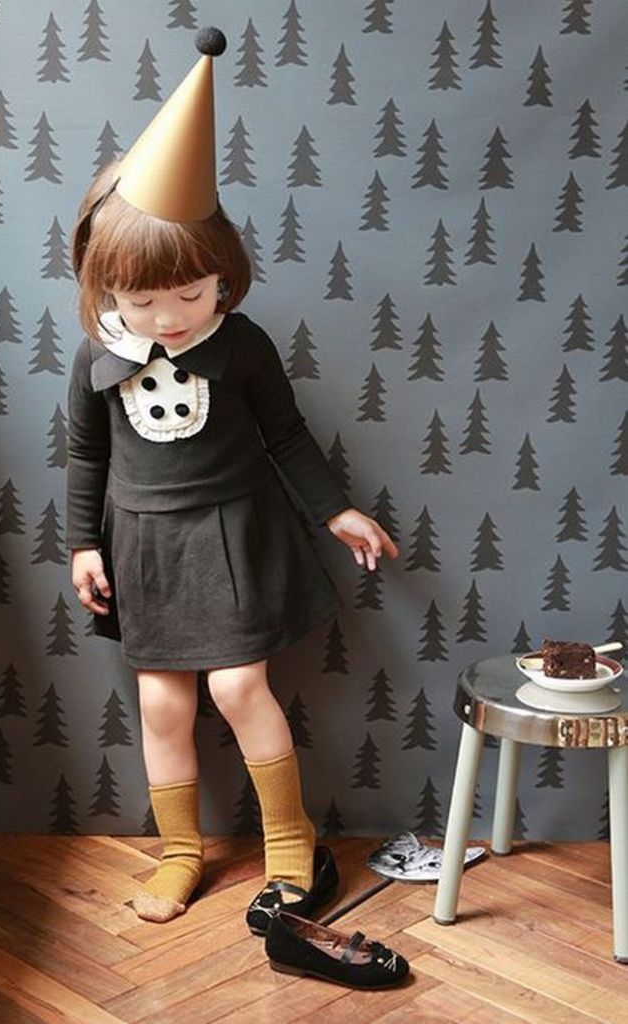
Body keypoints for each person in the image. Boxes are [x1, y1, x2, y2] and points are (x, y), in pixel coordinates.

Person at [66, 28, 398, 929]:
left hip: (232, 535)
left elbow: (285, 435)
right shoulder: (97, 356)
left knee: (238, 687)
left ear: (224, 277)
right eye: (143, 302)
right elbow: (86, 454)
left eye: (190, 294)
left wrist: (335, 512)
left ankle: (289, 836)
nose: (169, 317)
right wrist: (83, 544)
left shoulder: (241, 345)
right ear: (106, 290)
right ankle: (181, 851)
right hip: (144, 546)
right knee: (161, 702)